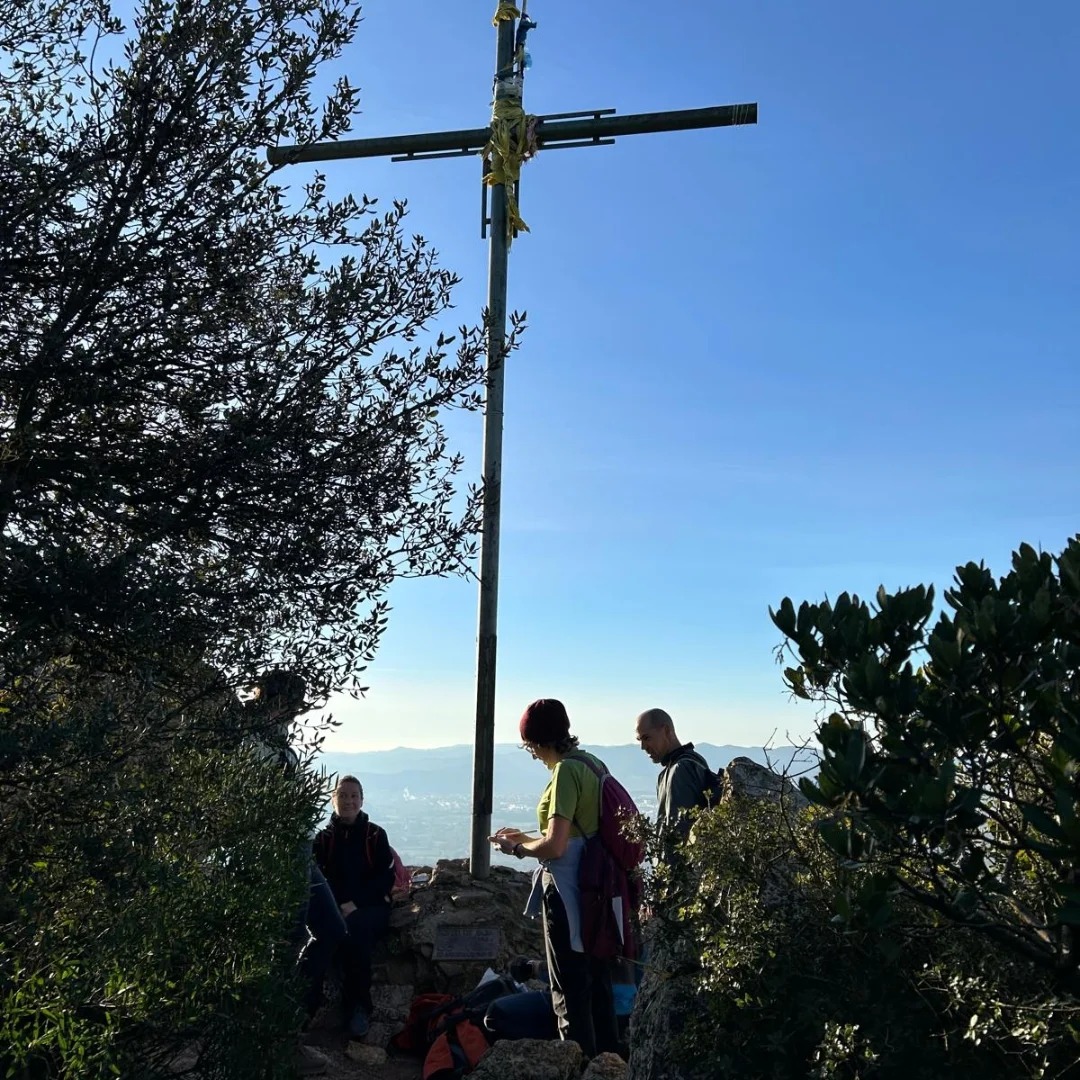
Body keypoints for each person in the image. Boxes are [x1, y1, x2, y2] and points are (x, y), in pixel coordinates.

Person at [490, 699, 619, 1059]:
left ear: (539, 741)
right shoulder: (593, 764)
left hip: (566, 892)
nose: (532, 754)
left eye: (530, 746)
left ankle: (573, 1064)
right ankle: (609, 1064)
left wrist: (513, 849)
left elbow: (557, 846)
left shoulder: (564, 772)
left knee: (568, 988)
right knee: (597, 984)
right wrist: (525, 838)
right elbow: (577, 835)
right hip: (596, 891)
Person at [248, 671, 341, 1076]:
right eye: (295, 700)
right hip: (278, 853)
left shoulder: (277, 739)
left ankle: (289, 1025)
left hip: (300, 852)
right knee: (284, 945)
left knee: (331, 930)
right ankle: (276, 1043)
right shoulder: (253, 742)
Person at [313, 775, 394, 1039]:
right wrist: (337, 905)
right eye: (343, 795)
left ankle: (359, 1007)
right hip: (333, 907)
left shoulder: (375, 836)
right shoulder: (323, 839)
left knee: (356, 930)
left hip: (371, 908)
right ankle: (308, 1008)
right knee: (321, 937)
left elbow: (385, 878)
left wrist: (354, 903)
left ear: (362, 799)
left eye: (353, 796)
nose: (349, 801)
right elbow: (317, 879)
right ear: (333, 799)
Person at [634, 707, 718, 836]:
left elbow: (679, 831)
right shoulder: (674, 770)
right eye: (640, 740)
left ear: (666, 731)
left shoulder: (682, 769)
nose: (643, 747)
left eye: (647, 738)